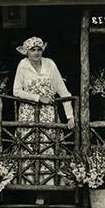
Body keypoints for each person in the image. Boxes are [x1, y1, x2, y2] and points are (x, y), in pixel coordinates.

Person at [13, 36, 75, 195]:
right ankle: (28, 187)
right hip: (28, 112)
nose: (36, 53)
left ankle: (50, 188)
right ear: (26, 52)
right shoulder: (23, 65)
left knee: (48, 144)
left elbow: (62, 89)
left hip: (48, 113)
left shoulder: (50, 64)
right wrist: (38, 98)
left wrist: (70, 116)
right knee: (30, 145)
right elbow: (16, 91)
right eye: (32, 50)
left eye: (39, 49)